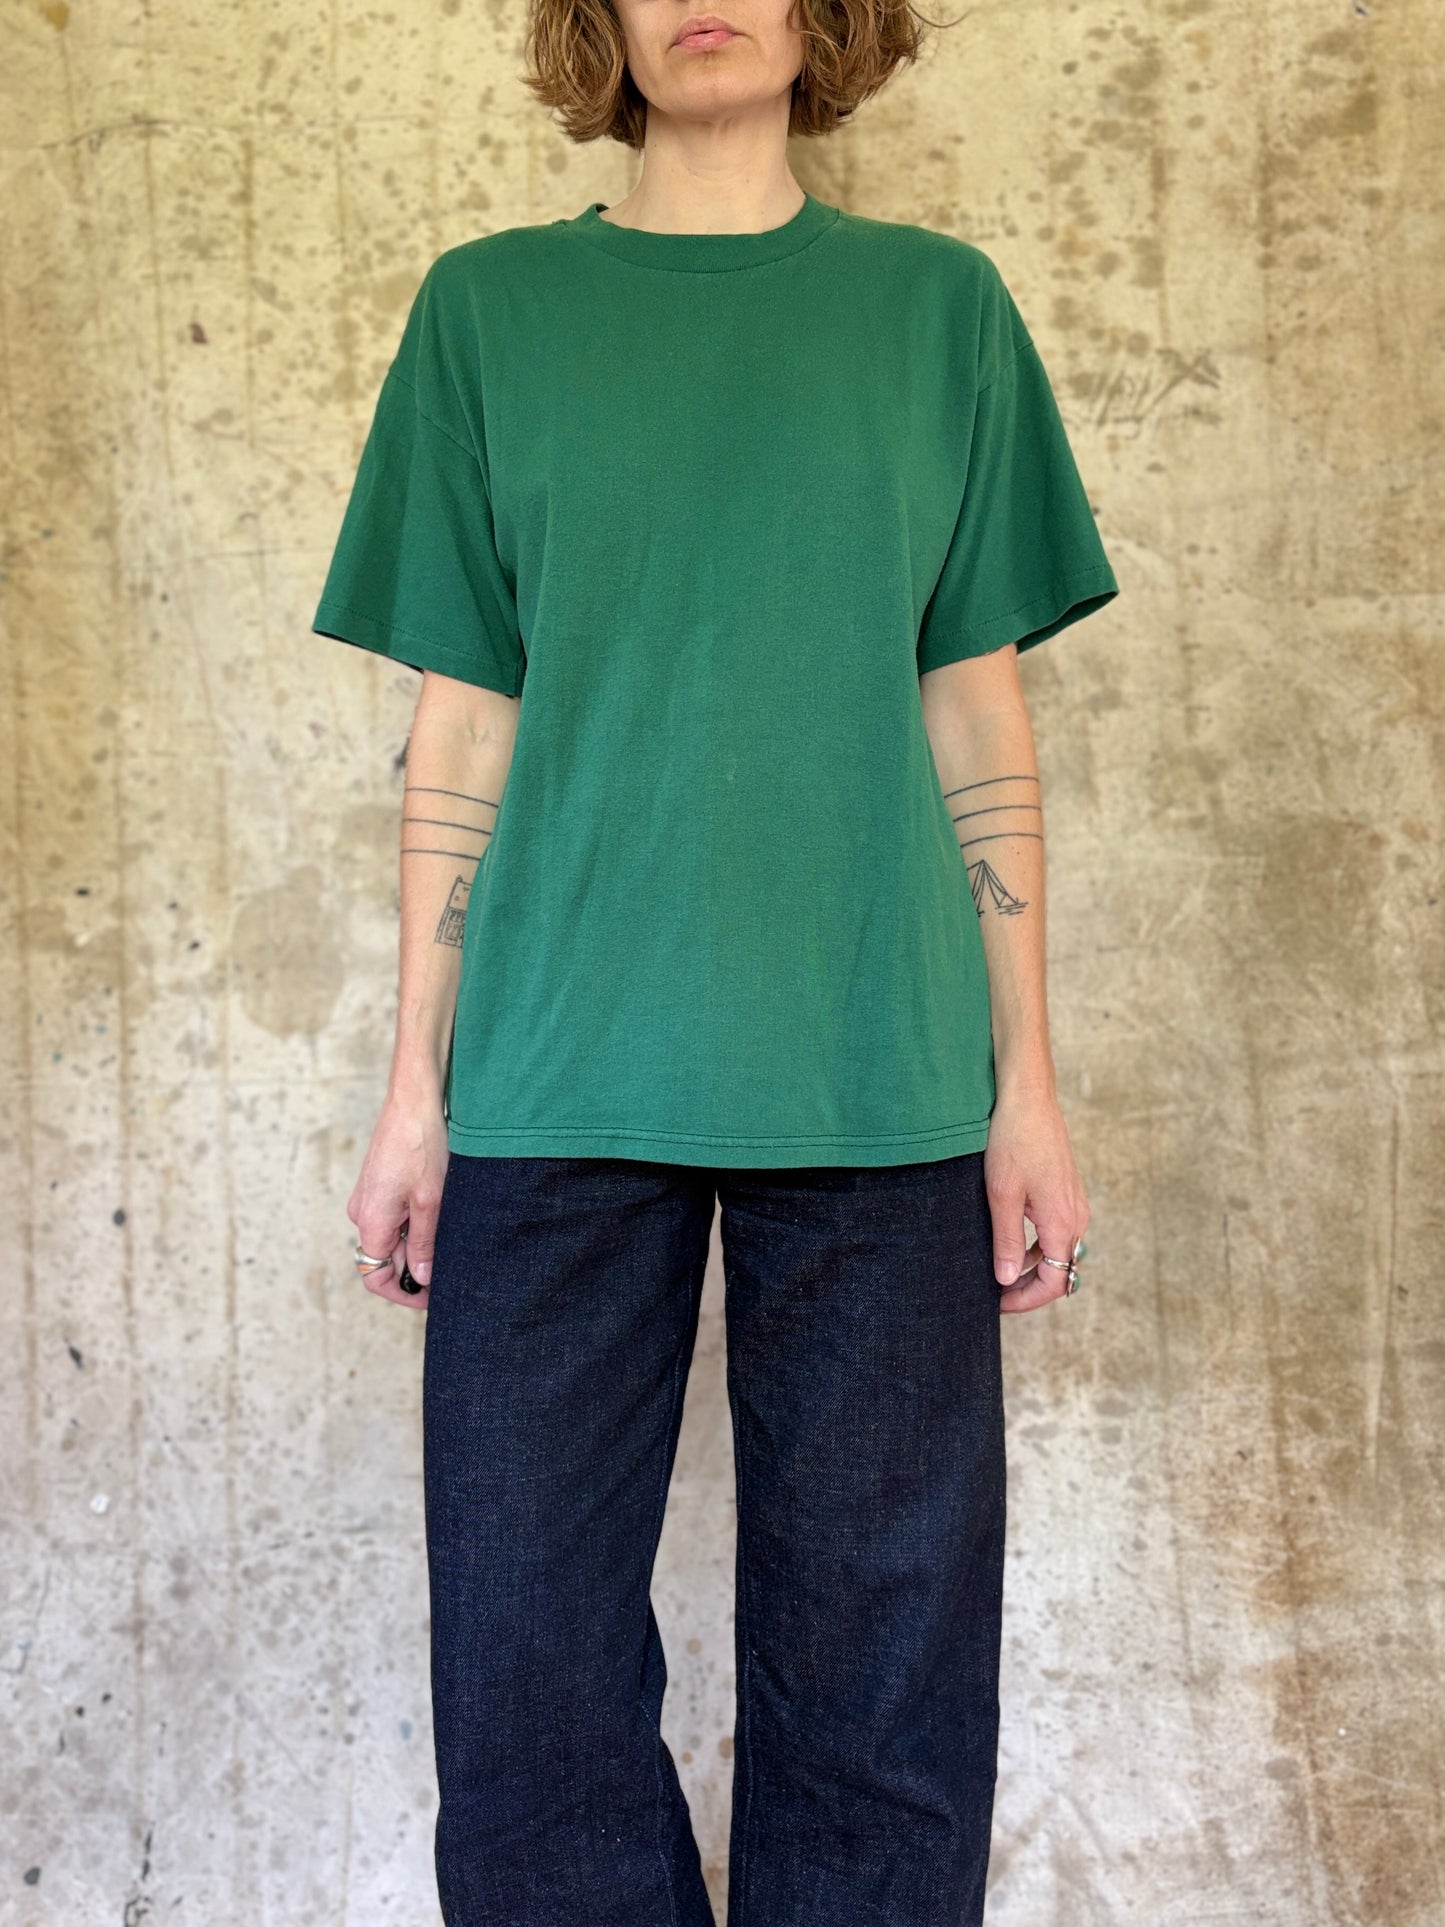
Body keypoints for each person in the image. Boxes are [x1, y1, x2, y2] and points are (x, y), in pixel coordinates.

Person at [310, 0, 1118, 1915]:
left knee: (883, 1693)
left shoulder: (937, 312)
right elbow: (464, 724)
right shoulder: (489, 313)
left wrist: (1026, 1089)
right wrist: (414, 1093)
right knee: (528, 1680)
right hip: (552, 1080)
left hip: (879, 1079)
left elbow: (975, 712)